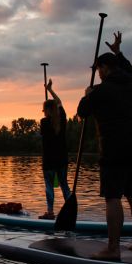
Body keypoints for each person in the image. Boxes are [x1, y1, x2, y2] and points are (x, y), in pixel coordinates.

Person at [76, 31, 132, 260]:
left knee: (113, 197)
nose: (98, 74)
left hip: (113, 153)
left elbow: (82, 112)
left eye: (98, 69)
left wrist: (86, 95)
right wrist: (119, 54)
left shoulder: (101, 90)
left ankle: (113, 248)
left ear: (105, 68)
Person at [39, 79, 72, 219]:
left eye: (44, 109)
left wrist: (48, 90)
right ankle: (70, 210)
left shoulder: (44, 122)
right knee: (64, 186)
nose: (43, 112)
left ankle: (50, 212)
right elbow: (59, 102)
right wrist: (50, 90)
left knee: (49, 186)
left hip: (49, 161)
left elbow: (56, 105)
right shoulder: (63, 119)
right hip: (62, 160)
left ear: (47, 110)